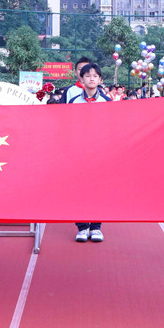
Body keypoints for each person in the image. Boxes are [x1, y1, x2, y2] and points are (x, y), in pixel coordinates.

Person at [68, 63, 111, 242]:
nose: (91, 78)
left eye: (95, 75)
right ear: (81, 79)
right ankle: (82, 226)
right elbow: (67, 127)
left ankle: (96, 227)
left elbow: (113, 127)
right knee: (79, 188)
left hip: (100, 153)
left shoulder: (107, 102)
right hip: (79, 153)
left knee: (98, 189)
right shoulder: (74, 101)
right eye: (87, 75)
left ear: (100, 80)